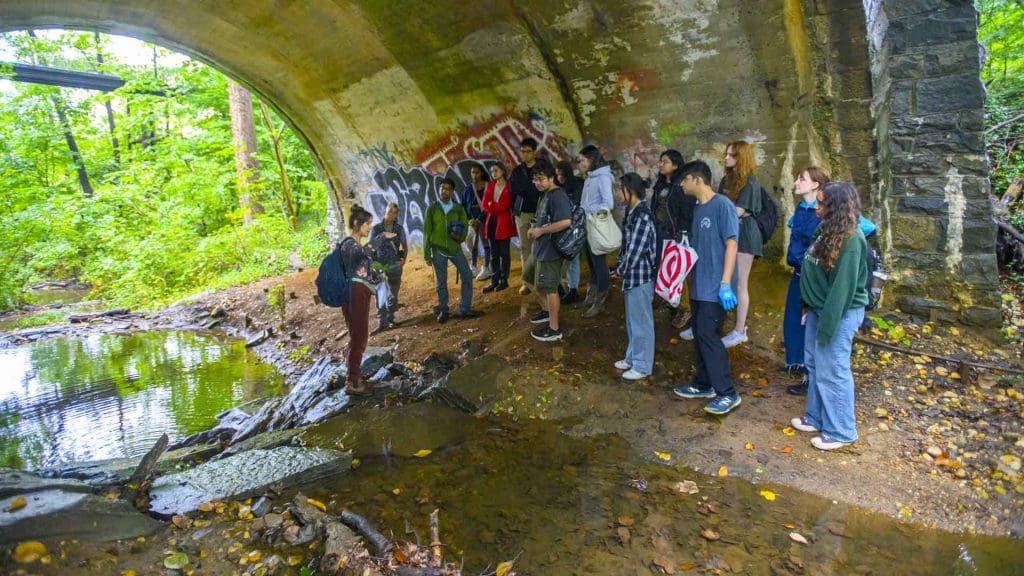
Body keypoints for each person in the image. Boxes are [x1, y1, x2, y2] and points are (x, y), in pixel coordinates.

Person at [791, 181, 869, 451]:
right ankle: (816, 417)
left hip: (837, 313)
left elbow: (842, 290)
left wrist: (828, 326)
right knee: (814, 365)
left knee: (833, 370)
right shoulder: (825, 229)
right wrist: (806, 303)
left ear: (836, 207)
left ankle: (841, 430)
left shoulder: (852, 240)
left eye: (823, 203)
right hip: (817, 309)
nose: (817, 207)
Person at [671, 160, 742, 415]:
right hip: (700, 285)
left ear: (697, 180)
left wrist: (725, 283)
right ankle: (703, 384)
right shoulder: (698, 209)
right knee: (700, 335)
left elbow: (732, 244)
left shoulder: (722, 205)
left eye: (684, 180)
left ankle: (728, 393)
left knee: (708, 335)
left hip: (716, 286)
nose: (681, 185)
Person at [782, 167, 828, 395]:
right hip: (798, 272)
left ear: (816, 184)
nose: (797, 182)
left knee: (810, 324)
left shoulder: (826, 210)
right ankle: (797, 363)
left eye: (802, 179)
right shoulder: (801, 209)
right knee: (793, 319)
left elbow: (866, 227)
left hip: (814, 277)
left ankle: (810, 376)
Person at [611, 173, 658, 381]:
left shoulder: (642, 216)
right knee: (633, 322)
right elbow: (627, 247)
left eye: (620, 189)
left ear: (629, 191)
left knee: (641, 323)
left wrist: (620, 270)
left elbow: (635, 251)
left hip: (640, 277)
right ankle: (632, 358)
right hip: (633, 277)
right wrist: (620, 269)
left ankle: (643, 365)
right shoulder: (632, 212)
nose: (618, 193)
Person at [718, 140, 762, 348]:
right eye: (727, 154)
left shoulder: (750, 182)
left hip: (744, 235)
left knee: (739, 283)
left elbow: (737, 212)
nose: (726, 158)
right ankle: (716, 322)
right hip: (728, 232)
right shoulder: (727, 179)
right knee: (723, 278)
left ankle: (739, 330)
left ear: (741, 158)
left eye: (731, 155)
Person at [524, 163, 572, 342]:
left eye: (541, 179)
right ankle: (546, 311)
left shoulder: (557, 195)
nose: (537, 183)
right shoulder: (544, 195)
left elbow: (566, 222)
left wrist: (541, 231)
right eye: (535, 179)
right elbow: (540, 218)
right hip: (539, 248)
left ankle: (554, 329)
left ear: (551, 178)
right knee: (527, 278)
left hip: (551, 251)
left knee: (550, 288)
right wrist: (533, 228)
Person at [423, 178, 482, 323]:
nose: (444, 191)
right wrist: (427, 254)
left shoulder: (458, 208)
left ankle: (465, 308)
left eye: (448, 188)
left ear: (452, 191)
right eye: (442, 188)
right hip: (438, 251)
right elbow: (426, 232)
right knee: (441, 283)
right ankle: (444, 311)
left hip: (455, 249)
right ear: (439, 190)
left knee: (467, 275)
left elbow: (465, 226)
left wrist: (460, 237)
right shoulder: (432, 209)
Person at [652, 149, 697, 331]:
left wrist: (682, 232)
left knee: (679, 270)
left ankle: (685, 308)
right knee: (664, 268)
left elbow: (686, 213)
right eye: (661, 161)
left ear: (676, 165)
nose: (661, 164)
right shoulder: (660, 186)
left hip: (675, 234)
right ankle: (672, 300)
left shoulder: (680, 187)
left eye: (666, 162)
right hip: (660, 232)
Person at [338, 206, 380, 395]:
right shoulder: (350, 245)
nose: (370, 227)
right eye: (367, 224)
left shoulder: (351, 245)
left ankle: (351, 369)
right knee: (360, 336)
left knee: (356, 333)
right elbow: (360, 256)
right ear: (357, 224)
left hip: (356, 292)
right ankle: (353, 381)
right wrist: (376, 243)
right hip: (355, 293)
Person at [509, 137, 552, 295]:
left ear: (534, 152)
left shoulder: (543, 166)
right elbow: (514, 189)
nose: (525, 154)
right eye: (522, 151)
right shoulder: (517, 171)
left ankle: (551, 279)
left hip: (542, 212)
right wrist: (531, 189)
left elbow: (549, 185)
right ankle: (527, 281)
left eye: (528, 151)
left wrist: (528, 189)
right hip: (524, 213)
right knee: (525, 247)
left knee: (547, 245)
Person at [578, 144, 615, 318]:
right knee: (591, 263)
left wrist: (592, 214)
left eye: (583, 160)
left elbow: (608, 203)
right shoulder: (590, 177)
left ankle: (601, 298)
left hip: (595, 226)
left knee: (599, 263)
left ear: (592, 160)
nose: (581, 164)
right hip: (586, 225)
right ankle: (592, 293)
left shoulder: (603, 177)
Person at [368, 202, 408, 333]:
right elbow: (370, 248)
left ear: (397, 215)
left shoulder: (399, 229)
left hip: (395, 266)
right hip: (380, 265)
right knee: (380, 294)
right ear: (384, 212)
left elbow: (405, 246)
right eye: (389, 211)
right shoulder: (376, 229)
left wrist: (403, 260)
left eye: (394, 212)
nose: (391, 214)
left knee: (393, 295)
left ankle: (390, 319)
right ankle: (381, 323)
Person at [481, 163, 516, 293]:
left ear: (502, 171)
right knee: (493, 255)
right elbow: (485, 204)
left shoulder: (509, 186)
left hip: (504, 223)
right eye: (491, 171)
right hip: (491, 222)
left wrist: (493, 205)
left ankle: (504, 280)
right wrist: (494, 205)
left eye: (496, 170)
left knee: (504, 254)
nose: (493, 173)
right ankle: (494, 281)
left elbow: (506, 205)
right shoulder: (490, 185)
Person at [556, 160, 583, 304]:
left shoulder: (577, 184)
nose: (559, 176)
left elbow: (578, 206)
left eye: (561, 173)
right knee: (560, 260)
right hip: (560, 227)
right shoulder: (556, 187)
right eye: (557, 174)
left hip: (574, 227)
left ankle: (573, 290)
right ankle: (561, 287)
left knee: (573, 259)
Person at [461, 163, 492, 281]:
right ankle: (474, 266)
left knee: (485, 241)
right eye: (473, 172)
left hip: (488, 218)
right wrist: (470, 220)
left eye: (477, 172)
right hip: (472, 221)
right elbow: (463, 206)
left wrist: (480, 219)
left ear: (482, 173)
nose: (475, 175)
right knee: (468, 239)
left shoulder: (489, 187)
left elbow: (490, 204)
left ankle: (487, 266)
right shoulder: (467, 189)